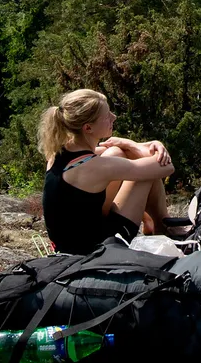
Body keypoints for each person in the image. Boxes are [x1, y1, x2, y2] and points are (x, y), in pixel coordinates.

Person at [39, 88, 175, 255]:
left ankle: (154, 223)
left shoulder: (58, 153)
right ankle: (163, 227)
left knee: (117, 152)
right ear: (88, 128)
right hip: (96, 249)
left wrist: (128, 145)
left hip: (69, 243)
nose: (113, 117)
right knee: (144, 174)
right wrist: (133, 144)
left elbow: (111, 149)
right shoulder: (95, 167)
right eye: (107, 116)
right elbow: (166, 167)